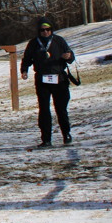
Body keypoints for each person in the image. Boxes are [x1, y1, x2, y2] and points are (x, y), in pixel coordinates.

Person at [20, 18, 75, 148]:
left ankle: (66, 134)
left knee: (61, 109)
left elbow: (70, 56)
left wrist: (69, 57)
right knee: (44, 110)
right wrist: (24, 70)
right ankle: (46, 139)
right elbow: (27, 58)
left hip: (59, 79)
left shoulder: (59, 40)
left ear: (51, 30)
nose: (45, 32)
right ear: (38, 31)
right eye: (42, 30)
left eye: (48, 29)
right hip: (42, 80)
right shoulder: (34, 43)